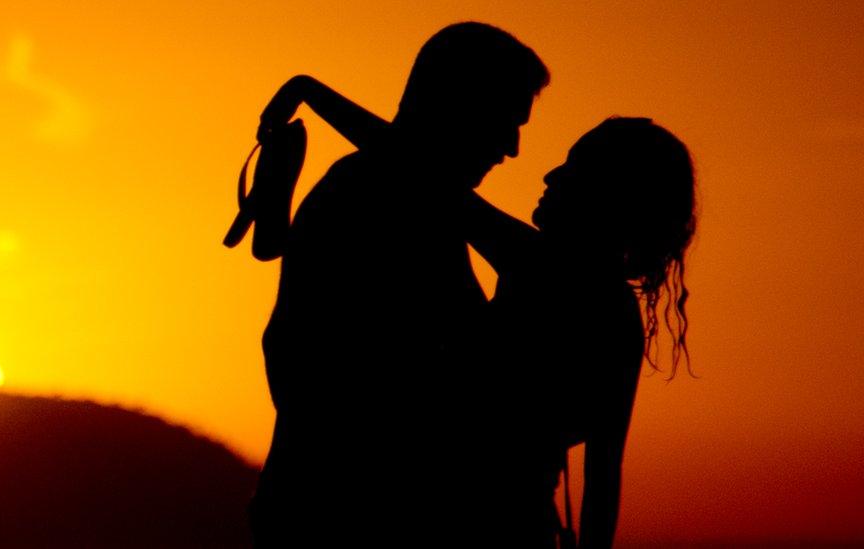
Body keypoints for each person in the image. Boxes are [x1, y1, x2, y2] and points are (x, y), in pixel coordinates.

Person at [255, 76, 696, 548]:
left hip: (464, 520)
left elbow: (410, 164)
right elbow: (604, 475)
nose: (550, 175)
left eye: (574, 169)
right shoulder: (617, 316)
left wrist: (309, 91)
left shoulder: (536, 263)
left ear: (608, 199)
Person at [249, 23, 550, 547]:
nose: (513, 148)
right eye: (507, 121)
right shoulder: (388, 199)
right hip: (357, 515)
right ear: (458, 103)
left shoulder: (395, 191)